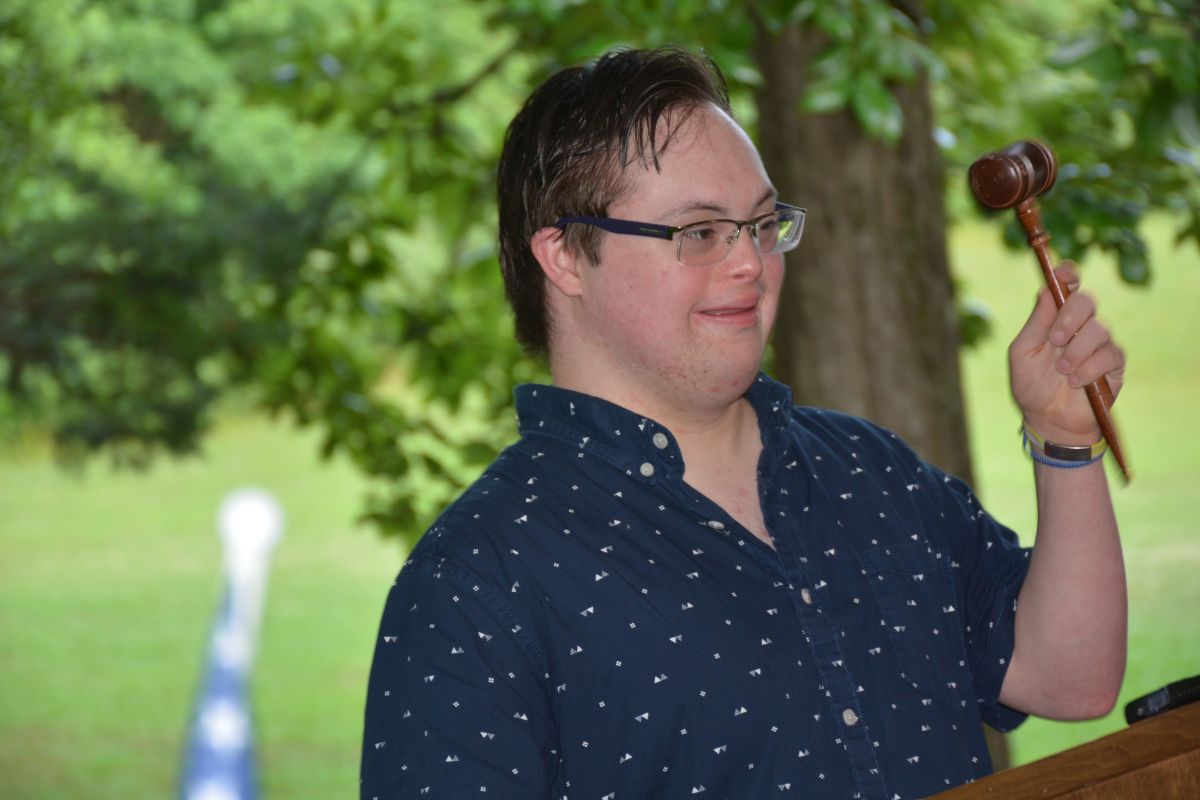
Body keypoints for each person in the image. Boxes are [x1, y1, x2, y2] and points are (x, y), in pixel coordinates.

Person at [360, 46, 1126, 799]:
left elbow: (1071, 679)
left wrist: (1066, 442)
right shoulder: (474, 579)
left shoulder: (868, 468)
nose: (752, 263)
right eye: (698, 232)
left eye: (762, 224)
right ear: (563, 258)